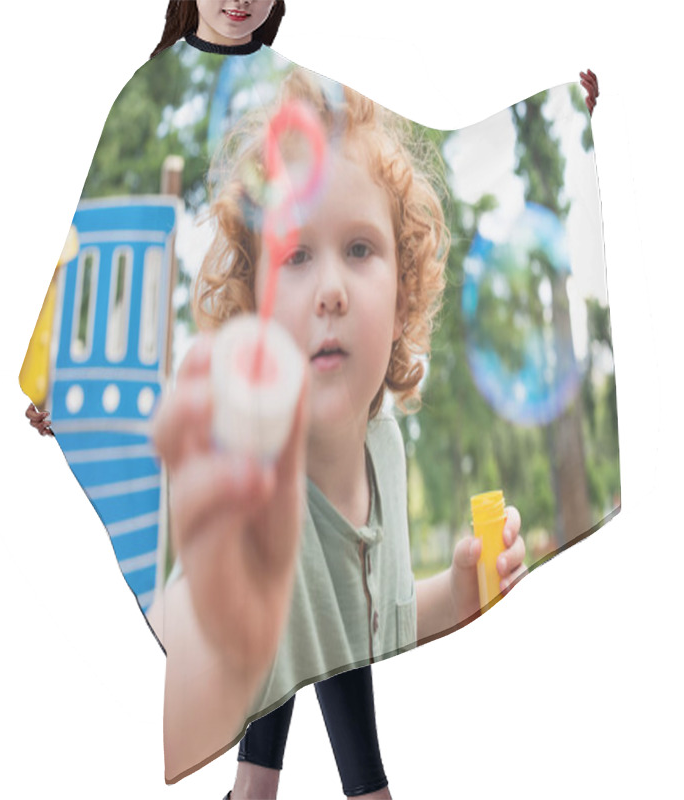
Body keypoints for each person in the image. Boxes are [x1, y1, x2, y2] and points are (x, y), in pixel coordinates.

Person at [149, 50, 532, 785]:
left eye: (360, 249)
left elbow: (368, 624)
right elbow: (188, 661)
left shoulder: (382, 443)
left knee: (313, 623)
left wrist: (460, 588)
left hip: (294, 637)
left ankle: (259, 785)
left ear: (403, 297)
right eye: (295, 257)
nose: (330, 290)